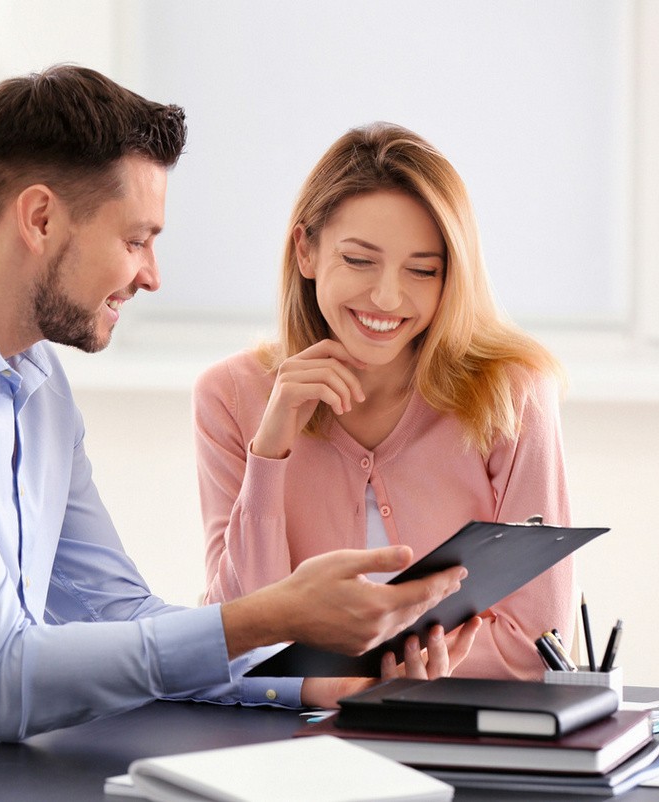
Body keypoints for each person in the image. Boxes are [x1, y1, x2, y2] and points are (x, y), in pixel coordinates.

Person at [0, 69, 468, 802]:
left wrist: (305, 678)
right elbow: (3, 680)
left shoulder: (31, 375)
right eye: (136, 239)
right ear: (39, 218)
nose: (152, 275)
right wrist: (274, 614)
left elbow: (115, 610)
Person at [194, 122, 573, 680]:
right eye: (360, 260)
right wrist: (270, 452)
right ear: (306, 250)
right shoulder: (230, 397)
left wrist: (349, 669)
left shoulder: (511, 394)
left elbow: (538, 645)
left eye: (422, 270)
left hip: (458, 736)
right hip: (288, 744)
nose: (389, 297)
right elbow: (239, 639)